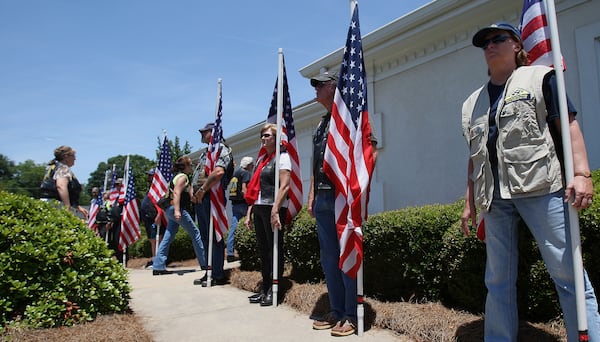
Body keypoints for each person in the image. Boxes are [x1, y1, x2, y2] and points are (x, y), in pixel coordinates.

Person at [460, 22, 600, 341]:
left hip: (541, 189)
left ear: (517, 46)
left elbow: (568, 125)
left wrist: (581, 173)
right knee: (497, 280)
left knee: (568, 273)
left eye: (498, 39)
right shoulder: (472, 103)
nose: (490, 46)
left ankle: (588, 336)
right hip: (493, 198)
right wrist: (469, 202)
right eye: (485, 43)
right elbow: (474, 157)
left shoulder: (541, 78)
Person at [307, 71, 377, 337]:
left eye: (319, 84)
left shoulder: (351, 119)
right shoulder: (322, 124)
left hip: (342, 197)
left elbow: (371, 151)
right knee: (329, 258)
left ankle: (350, 314)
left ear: (334, 87)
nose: (314, 88)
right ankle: (336, 311)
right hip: (323, 197)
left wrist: (358, 190)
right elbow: (317, 166)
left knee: (347, 253)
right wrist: (312, 196)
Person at [243, 124, 290, 306]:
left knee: (274, 249)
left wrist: (275, 209)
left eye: (267, 135)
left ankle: (274, 290)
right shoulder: (262, 161)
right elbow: (256, 192)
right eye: (262, 136)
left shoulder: (283, 158)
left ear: (277, 138)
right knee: (263, 250)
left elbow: (285, 186)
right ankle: (265, 288)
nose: (263, 138)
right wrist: (249, 213)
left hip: (273, 208)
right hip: (260, 208)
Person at [192, 122, 234, 287]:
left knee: (214, 236)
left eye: (205, 131)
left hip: (212, 197)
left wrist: (202, 189)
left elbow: (218, 172)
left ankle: (217, 274)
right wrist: (192, 190)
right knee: (204, 237)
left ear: (214, 132)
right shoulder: (205, 154)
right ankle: (209, 271)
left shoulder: (222, 149)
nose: (201, 133)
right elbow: (198, 173)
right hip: (201, 198)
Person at [153, 157, 208, 275]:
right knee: (195, 233)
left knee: (168, 235)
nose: (192, 168)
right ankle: (204, 263)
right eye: (190, 165)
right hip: (176, 209)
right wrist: (178, 211)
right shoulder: (183, 177)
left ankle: (158, 266)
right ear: (185, 167)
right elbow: (177, 192)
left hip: (169, 209)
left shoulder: (176, 176)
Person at [40, 145, 88, 218]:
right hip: (56, 205)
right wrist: (67, 208)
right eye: (73, 155)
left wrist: (77, 206)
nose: (75, 158)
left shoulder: (53, 167)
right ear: (66, 156)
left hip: (48, 203)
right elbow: (61, 186)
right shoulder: (63, 168)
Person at [227, 156, 254, 262]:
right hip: (243, 204)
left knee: (233, 228)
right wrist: (250, 202)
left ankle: (230, 253)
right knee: (250, 225)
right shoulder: (245, 173)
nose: (253, 166)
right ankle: (251, 251)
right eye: (252, 164)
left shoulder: (235, 173)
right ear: (248, 165)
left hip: (234, 204)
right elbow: (244, 189)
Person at [140, 168, 163, 269]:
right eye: (148, 175)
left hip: (154, 217)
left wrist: (159, 214)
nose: (149, 177)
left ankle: (157, 260)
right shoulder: (151, 188)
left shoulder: (159, 188)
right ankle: (154, 259)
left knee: (156, 239)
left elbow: (161, 203)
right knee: (152, 239)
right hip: (148, 218)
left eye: (151, 175)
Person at [107, 178, 125, 263]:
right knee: (114, 241)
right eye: (116, 185)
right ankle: (118, 259)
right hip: (115, 222)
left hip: (122, 221)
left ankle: (122, 259)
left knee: (120, 240)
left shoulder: (124, 196)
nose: (117, 187)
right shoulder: (116, 198)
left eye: (119, 185)